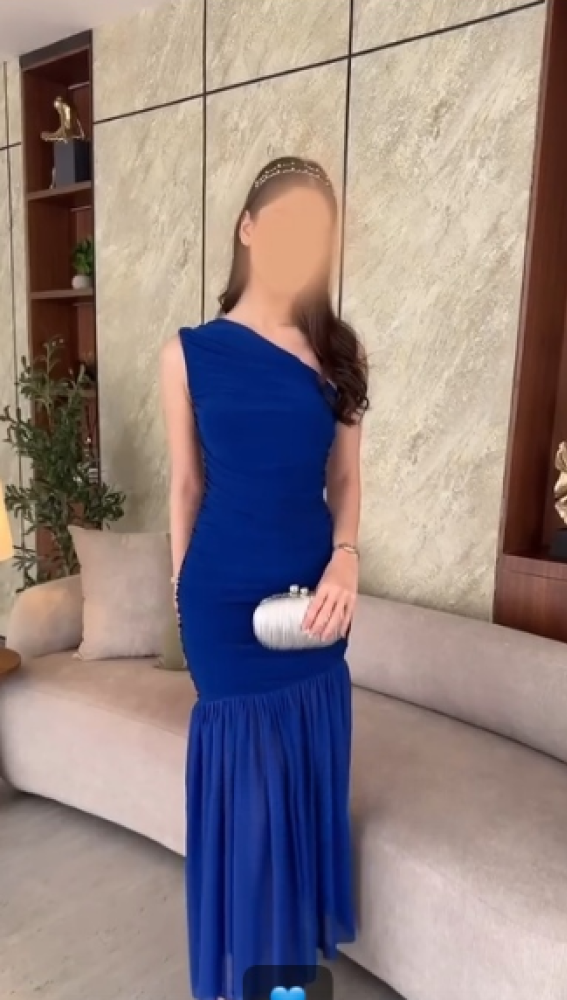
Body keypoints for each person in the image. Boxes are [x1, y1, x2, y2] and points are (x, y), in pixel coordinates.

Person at [160, 155, 369, 1000]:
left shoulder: (338, 354)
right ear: (248, 228)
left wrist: (347, 555)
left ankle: (288, 981)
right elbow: (186, 487)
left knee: (301, 792)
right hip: (222, 603)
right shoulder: (188, 354)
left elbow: (345, 480)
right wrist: (181, 599)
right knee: (251, 819)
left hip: (317, 603)